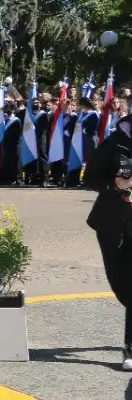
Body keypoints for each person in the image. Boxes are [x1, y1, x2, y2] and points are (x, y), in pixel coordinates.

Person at [82, 115, 132, 371]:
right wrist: (114, 185)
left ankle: (130, 347)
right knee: (121, 284)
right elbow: (90, 177)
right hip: (113, 223)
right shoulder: (115, 142)